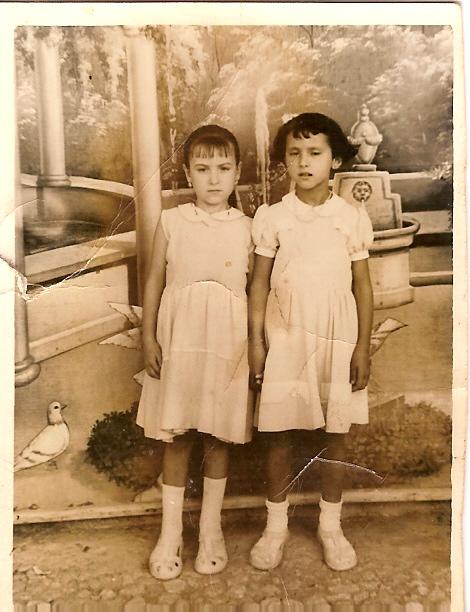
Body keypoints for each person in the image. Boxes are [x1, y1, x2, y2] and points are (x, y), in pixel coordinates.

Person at [249, 112, 374, 572]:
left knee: (334, 434)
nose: (304, 162)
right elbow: (258, 284)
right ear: (284, 161)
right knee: (278, 433)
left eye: (315, 153)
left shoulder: (350, 218)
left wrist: (362, 347)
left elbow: (363, 287)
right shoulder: (274, 217)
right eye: (295, 153)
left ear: (335, 160)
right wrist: (257, 342)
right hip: (285, 336)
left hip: (337, 336)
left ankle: (330, 527)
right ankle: (275, 527)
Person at [137, 125, 253, 580]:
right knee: (178, 435)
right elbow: (153, 282)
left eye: (223, 168)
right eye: (202, 169)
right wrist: (149, 338)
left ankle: (210, 530)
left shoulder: (247, 227)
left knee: (217, 436)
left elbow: (257, 290)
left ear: (237, 173)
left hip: (227, 343)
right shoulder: (172, 221)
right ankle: (170, 534)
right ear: (188, 173)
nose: (213, 178)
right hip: (179, 340)